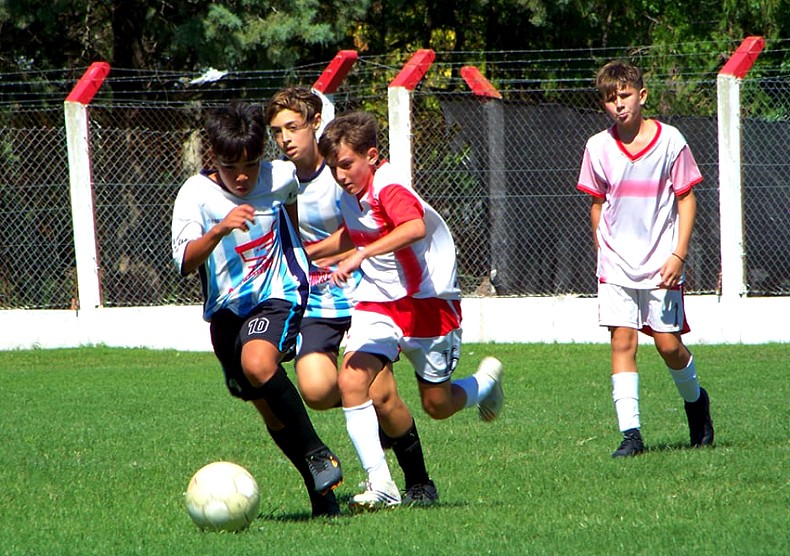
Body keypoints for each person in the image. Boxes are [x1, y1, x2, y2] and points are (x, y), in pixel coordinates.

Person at [307, 110, 505, 511]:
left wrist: (359, 255)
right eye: (333, 167)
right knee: (351, 381)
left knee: (437, 405)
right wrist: (308, 255)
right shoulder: (350, 194)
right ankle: (381, 483)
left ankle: (483, 385)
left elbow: (411, 227)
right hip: (379, 302)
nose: (341, 174)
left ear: (372, 156)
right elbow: (356, 229)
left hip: (428, 305)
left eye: (347, 164)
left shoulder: (390, 186)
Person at [264, 86, 439, 507]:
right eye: (277, 131)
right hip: (318, 300)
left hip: (366, 293)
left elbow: (368, 229)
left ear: (315, 125)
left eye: (293, 127)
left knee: (381, 395)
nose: (285, 138)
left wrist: (346, 255)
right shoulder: (279, 179)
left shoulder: (344, 169)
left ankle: (419, 482)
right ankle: (367, 423)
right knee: (317, 389)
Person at [170, 101, 343, 517]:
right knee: (269, 409)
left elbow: (291, 216)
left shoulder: (281, 176)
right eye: (232, 167)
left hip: (279, 292)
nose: (244, 176)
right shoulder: (195, 194)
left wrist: (299, 260)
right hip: (227, 312)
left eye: (252, 163)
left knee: (259, 362)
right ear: (214, 157)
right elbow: (185, 262)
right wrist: (219, 229)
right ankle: (323, 498)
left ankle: (320, 452)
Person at [576, 60, 715, 458]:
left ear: (642, 95)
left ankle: (696, 403)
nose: (618, 105)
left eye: (624, 96)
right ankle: (631, 436)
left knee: (669, 345)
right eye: (609, 99)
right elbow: (598, 203)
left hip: (661, 262)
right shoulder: (597, 147)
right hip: (617, 264)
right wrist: (602, 249)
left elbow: (686, 198)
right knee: (622, 340)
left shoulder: (671, 140)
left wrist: (679, 253)